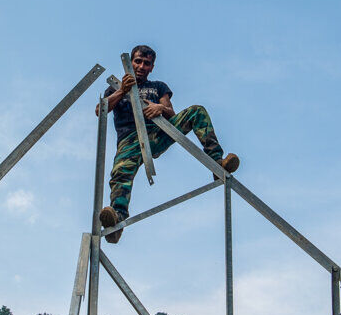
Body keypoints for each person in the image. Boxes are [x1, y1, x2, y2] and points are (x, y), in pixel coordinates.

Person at [97, 44, 239, 243]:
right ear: (130, 63)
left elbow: (170, 111)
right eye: (138, 61)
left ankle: (216, 163)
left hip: (157, 132)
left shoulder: (158, 87)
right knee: (121, 174)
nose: (141, 66)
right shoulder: (114, 88)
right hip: (130, 140)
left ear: (152, 67)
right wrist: (122, 90)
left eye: (146, 63)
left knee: (197, 111)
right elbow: (101, 110)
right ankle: (116, 224)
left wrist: (160, 108)